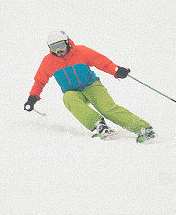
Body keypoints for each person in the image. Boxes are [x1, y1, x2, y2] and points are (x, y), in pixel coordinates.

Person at [24, 30, 155, 142]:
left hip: (92, 86)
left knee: (107, 108)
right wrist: (32, 98)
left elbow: (102, 62)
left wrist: (116, 70)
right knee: (68, 98)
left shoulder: (81, 51)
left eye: (60, 45)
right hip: (73, 92)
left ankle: (143, 128)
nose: (58, 51)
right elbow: (40, 81)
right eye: (53, 48)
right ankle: (99, 125)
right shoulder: (48, 62)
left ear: (67, 42)